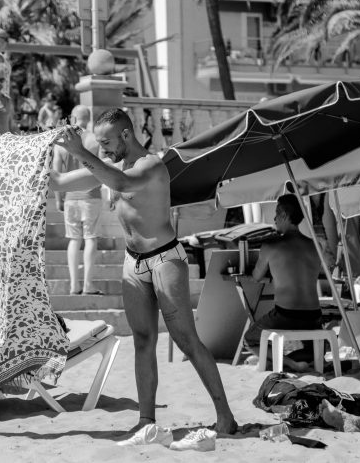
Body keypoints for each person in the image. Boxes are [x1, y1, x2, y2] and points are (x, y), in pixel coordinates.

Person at [49, 108, 237, 434]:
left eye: (106, 142)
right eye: (99, 144)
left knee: (186, 339)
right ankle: (146, 422)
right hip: (133, 261)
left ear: (125, 134)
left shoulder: (151, 165)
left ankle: (226, 417)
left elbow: (122, 183)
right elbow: (59, 183)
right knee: (142, 341)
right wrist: (41, 150)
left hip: (165, 259)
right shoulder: (113, 166)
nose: (103, 149)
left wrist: (80, 152)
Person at [242, 194, 321, 372]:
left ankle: (291, 364)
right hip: (314, 316)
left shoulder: (271, 245)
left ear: (285, 215)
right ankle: (289, 361)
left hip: (286, 315)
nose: (274, 218)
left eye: (277, 213)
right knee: (312, 351)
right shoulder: (315, 245)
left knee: (250, 339)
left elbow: (256, 276)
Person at [55, 105, 103, 295]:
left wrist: (59, 199)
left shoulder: (62, 141)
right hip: (91, 196)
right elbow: (104, 168)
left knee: (74, 240)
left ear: (71, 117)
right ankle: (88, 284)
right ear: (89, 118)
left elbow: (56, 173)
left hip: (70, 197)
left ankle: (74, 284)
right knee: (91, 239)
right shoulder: (95, 139)